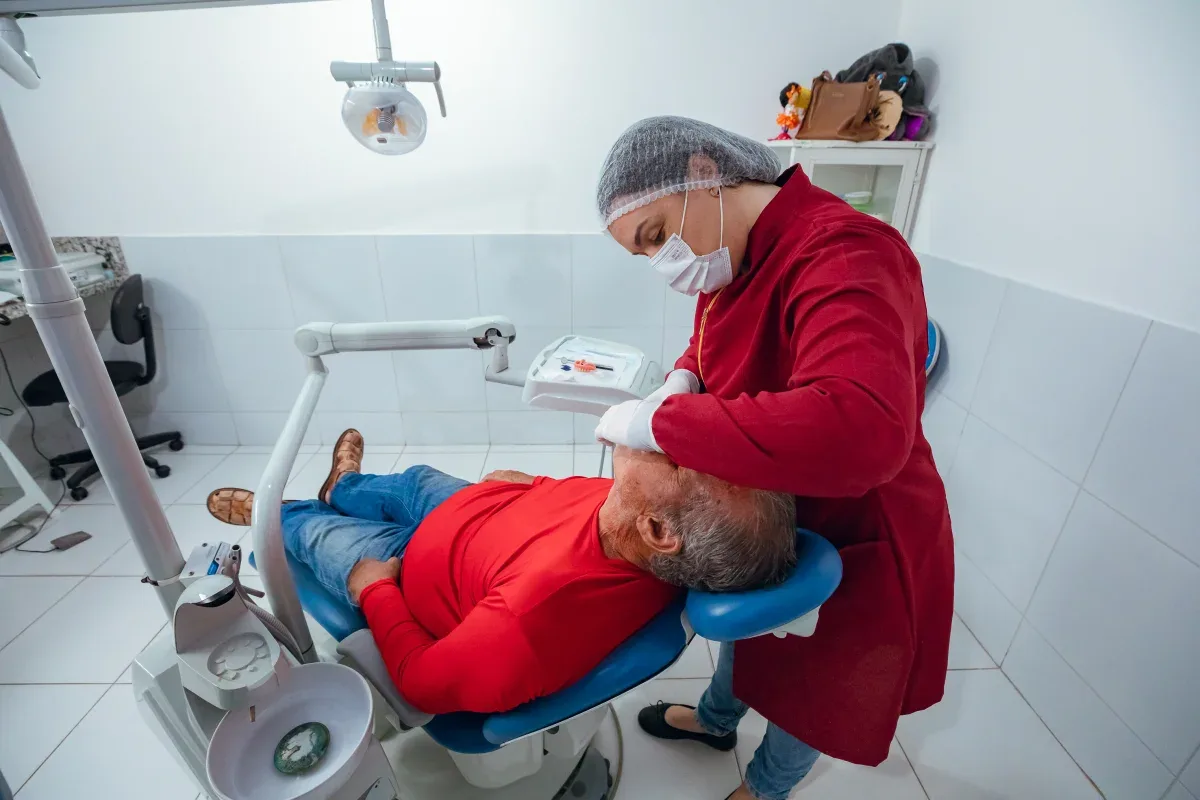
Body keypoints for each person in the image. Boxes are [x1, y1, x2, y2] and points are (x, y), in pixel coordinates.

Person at [593, 116, 954, 800]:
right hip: (770, 498)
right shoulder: (734, 252)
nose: (662, 262)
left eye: (654, 235)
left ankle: (764, 788)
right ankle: (716, 720)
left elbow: (860, 428)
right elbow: (712, 337)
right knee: (756, 636)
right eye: (643, 253)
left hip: (859, 521)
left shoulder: (845, 250)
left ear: (703, 174)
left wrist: (665, 422)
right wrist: (683, 377)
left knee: (822, 677)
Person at [206, 429, 798, 716]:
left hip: (401, 563)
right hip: (473, 511)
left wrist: (377, 591)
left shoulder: (530, 624)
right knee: (411, 479)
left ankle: (285, 512)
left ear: (659, 534)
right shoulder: (639, 518)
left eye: (675, 458)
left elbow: (421, 681)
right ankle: (345, 485)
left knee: (316, 535)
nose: (671, 433)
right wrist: (533, 485)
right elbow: (584, 496)